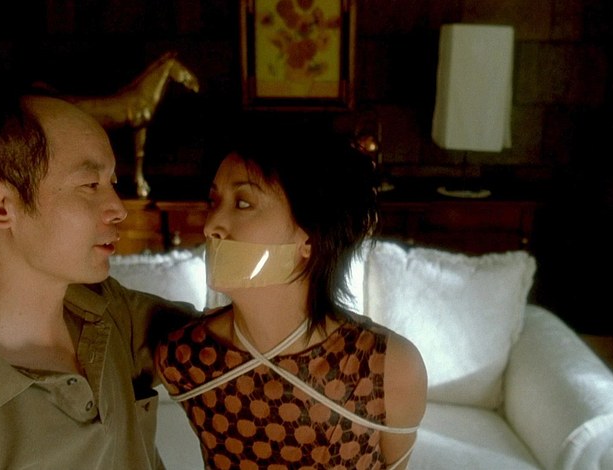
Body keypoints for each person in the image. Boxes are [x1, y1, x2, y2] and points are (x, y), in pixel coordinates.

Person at [0, 85, 193, 469]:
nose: (117, 208)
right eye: (90, 185)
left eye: (111, 183)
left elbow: (236, 347)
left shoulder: (109, 310)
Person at [156, 123, 428, 469]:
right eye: (214, 202)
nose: (211, 226)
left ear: (310, 237)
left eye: (243, 203)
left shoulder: (389, 368)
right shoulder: (182, 356)